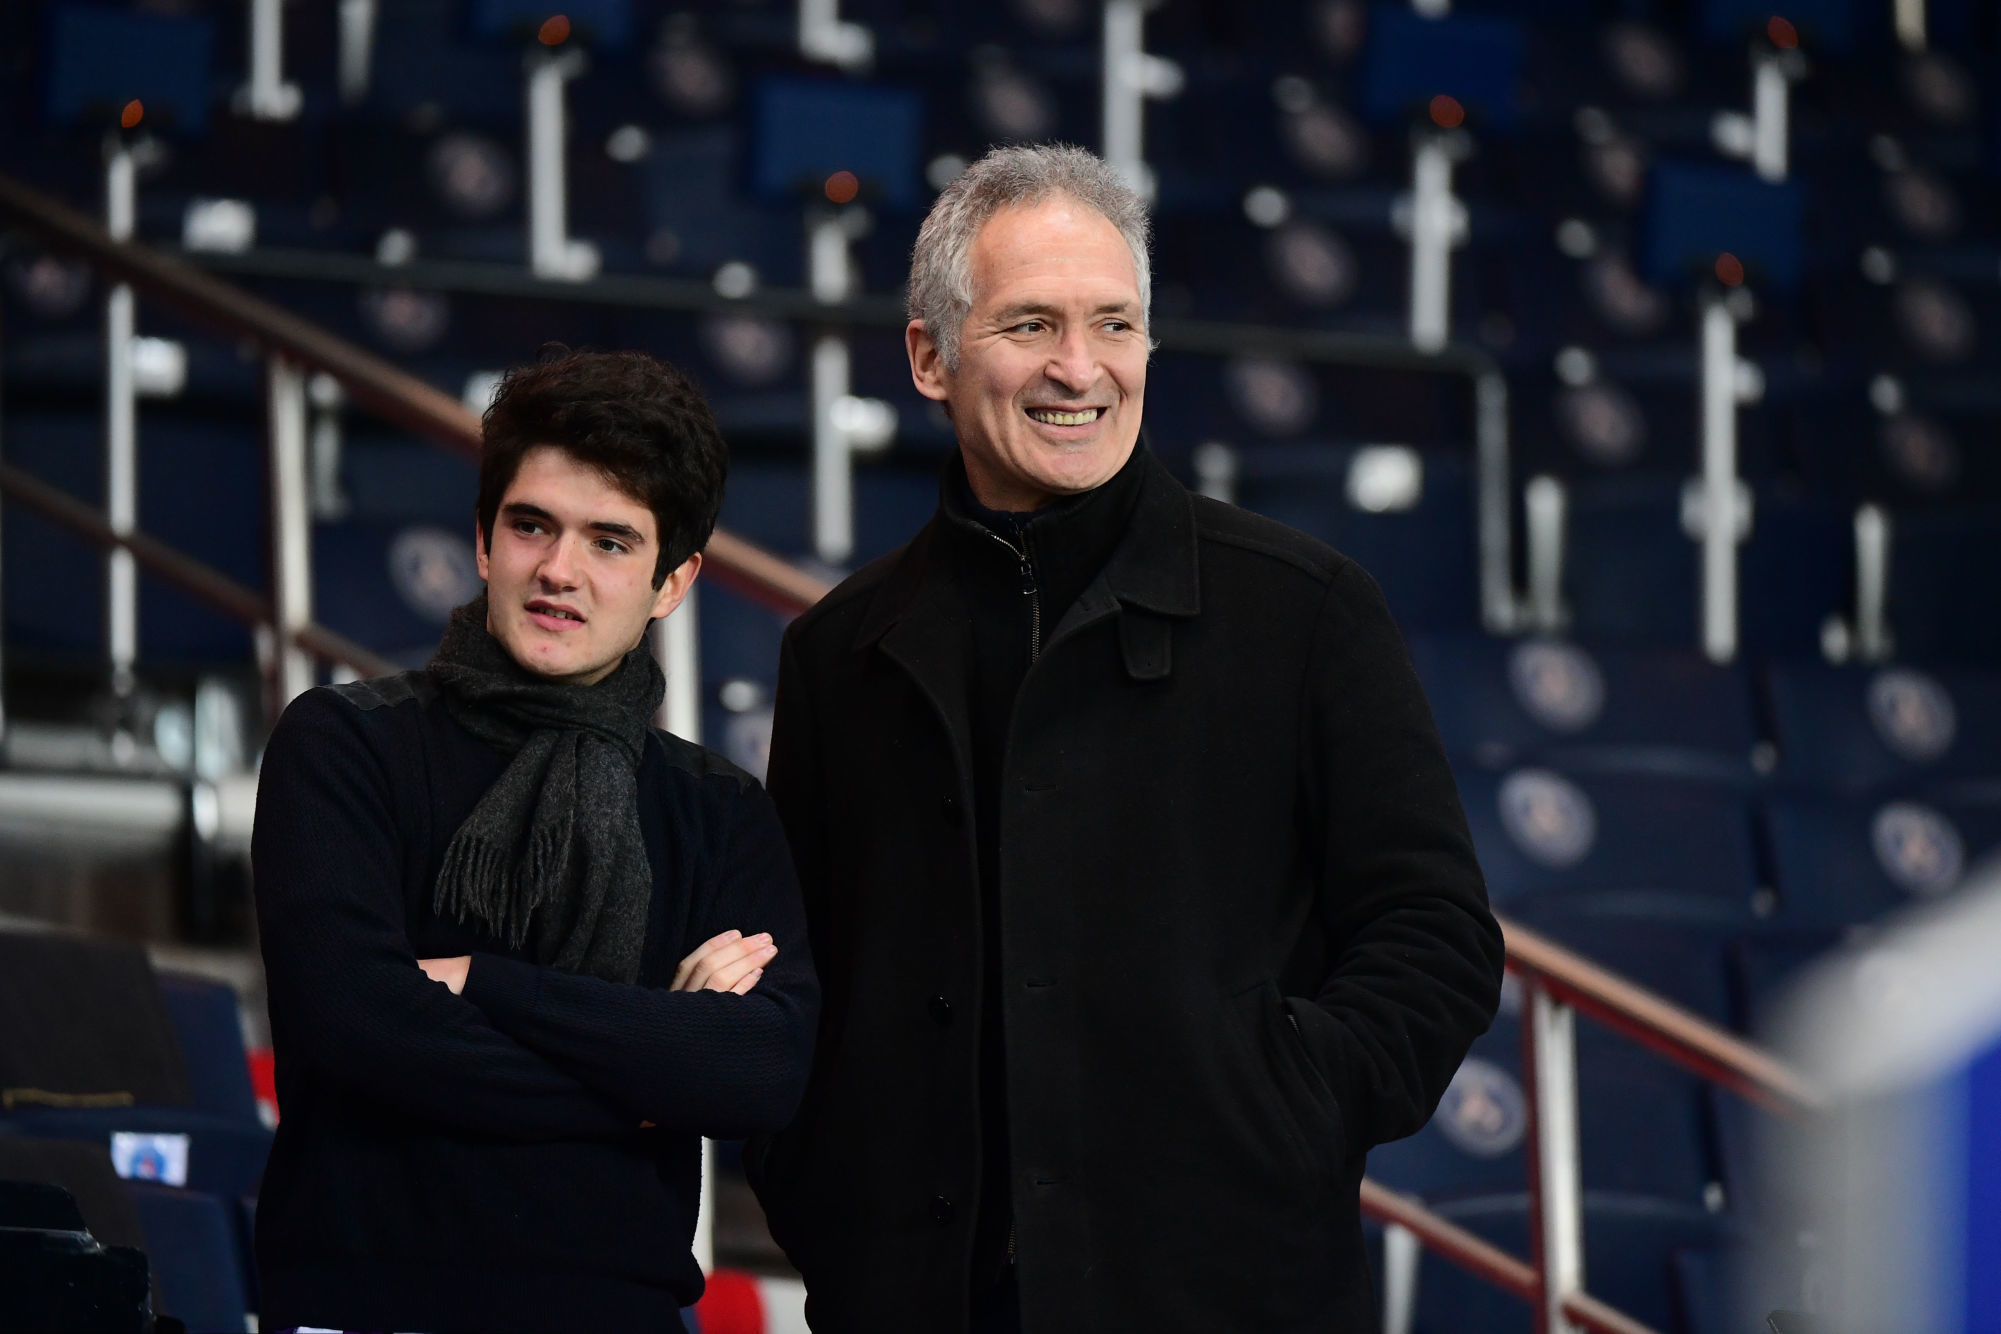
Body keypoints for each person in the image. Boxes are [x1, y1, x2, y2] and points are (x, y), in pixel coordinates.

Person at [747, 145, 1504, 1333]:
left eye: (1115, 323)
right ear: (928, 357)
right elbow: (808, 987)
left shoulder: (1304, 607)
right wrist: (840, 1205)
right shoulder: (838, 652)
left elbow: (1436, 934)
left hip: (1231, 1293)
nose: (1079, 368)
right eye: (1032, 323)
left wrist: (1281, 1102)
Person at [251, 349, 817, 1334]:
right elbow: (354, 1025)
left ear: (672, 581)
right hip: (367, 1303)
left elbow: (761, 1069)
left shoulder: (719, 807)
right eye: (531, 526)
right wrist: (646, 1071)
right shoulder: (343, 744)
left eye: (609, 541)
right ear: (482, 538)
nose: (559, 569)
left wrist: (485, 982)